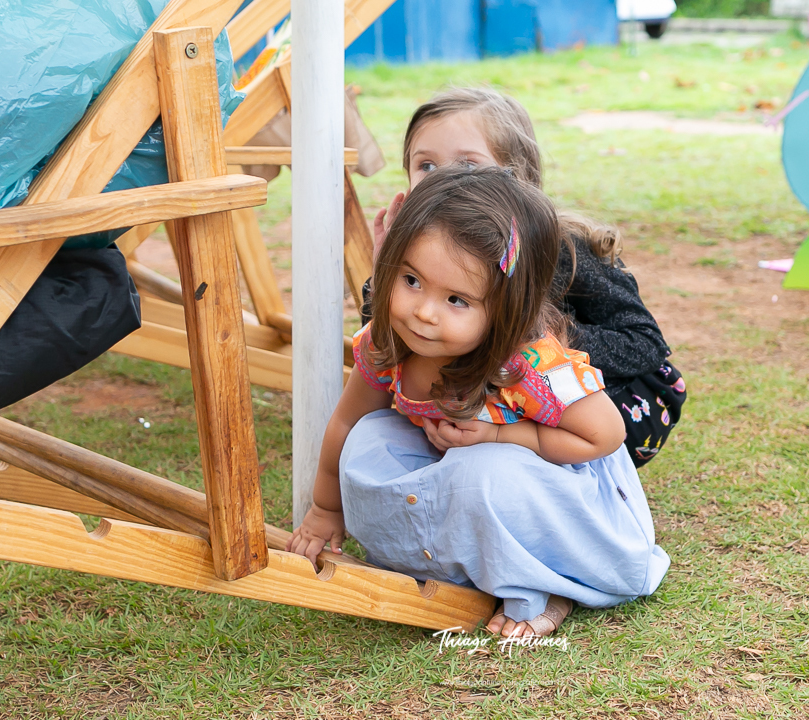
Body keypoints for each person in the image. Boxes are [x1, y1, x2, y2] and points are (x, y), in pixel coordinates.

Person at [289, 167, 670, 638]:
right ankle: (454, 567)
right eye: (411, 280)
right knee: (370, 439)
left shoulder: (527, 365)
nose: (424, 312)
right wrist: (326, 509)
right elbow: (347, 422)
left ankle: (548, 584)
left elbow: (605, 436)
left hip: (557, 496)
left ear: (507, 309)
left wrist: (500, 435)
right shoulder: (387, 343)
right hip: (462, 476)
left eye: (456, 300)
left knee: (485, 470)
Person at [361, 87, 686, 468]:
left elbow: (644, 343)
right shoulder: (423, 246)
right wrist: (386, 272)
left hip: (615, 400)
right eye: (426, 166)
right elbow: (396, 344)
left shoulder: (563, 249)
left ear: (519, 176)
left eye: (466, 165)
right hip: (500, 389)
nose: (443, 179)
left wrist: (526, 339)